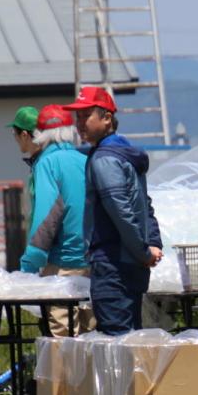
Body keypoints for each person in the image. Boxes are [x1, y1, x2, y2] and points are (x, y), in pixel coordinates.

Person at [64, 87, 163, 335]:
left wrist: (143, 250)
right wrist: (152, 242)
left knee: (118, 346)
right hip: (131, 266)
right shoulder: (126, 153)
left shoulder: (104, 159)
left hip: (112, 266)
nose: (79, 124)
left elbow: (121, 211)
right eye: (77, 117)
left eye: (86, 116)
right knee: (132, 341)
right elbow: (144, 203)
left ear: (107, 118)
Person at [17, 104, 95, 336]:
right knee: (92, 335)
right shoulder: (85, 160)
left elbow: (46, 215)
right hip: (93, 261)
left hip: (62, 264)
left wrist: (30, 262)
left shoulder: (47, 163)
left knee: (64, 337)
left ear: (40, 133)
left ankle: (67, 375)